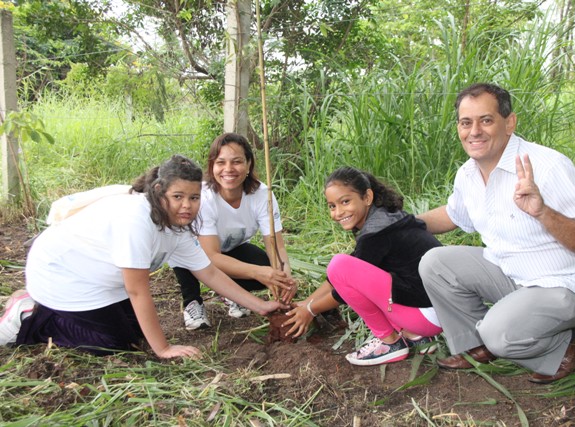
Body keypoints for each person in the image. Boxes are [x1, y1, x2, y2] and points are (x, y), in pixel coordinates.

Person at [0, 155, 286, 358]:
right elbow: (137, 291)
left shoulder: (177, 226)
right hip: (62, 275)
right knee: (111, 343)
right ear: (159, 192)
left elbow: (209, 273)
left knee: (134, 333)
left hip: (100, 281)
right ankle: (28, 316)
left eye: (194, 198)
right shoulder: (138, 219)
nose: (187, 206)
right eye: (178, 197)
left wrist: (261, 306)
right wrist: (163, 349)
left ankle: (53, 312)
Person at [417, 83, 575, 383]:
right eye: (466, 122)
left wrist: (542, 212)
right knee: (435, 263)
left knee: (499, 333)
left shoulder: (547, 166)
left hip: (565, 284)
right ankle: (476, 346)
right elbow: (453, 215)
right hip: (512, 274)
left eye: (486, 120)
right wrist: (402, 222)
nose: (474, 131)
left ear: (510, 123)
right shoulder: (468, 173)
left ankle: (560, 344)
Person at [284, 167, 443, 366]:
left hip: (425, 317)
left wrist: (310, 310)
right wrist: (305, 302)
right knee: (346, 269)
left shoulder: (375, 234)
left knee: (339, 265)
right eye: (332, 206)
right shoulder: (387, 218)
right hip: (442, 311)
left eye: (345, 202)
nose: (338, 212)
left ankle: (389, 342)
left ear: (367, 197)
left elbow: (344, 287)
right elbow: (343, 277)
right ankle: (417, 337)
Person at [173, 133, 296, 330]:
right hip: (194, 252)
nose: (228, 169)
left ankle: (232, 295)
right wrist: (258, 272)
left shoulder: (263, 195)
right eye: (220, 162)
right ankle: (192, 303)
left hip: (231, 247)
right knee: (186, 252)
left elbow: (276, 246)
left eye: (237, 161)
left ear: (249, 164)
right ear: (212, 166)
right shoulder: (204, 197)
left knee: (267, 267)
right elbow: (211, 256)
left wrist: (283, 278)